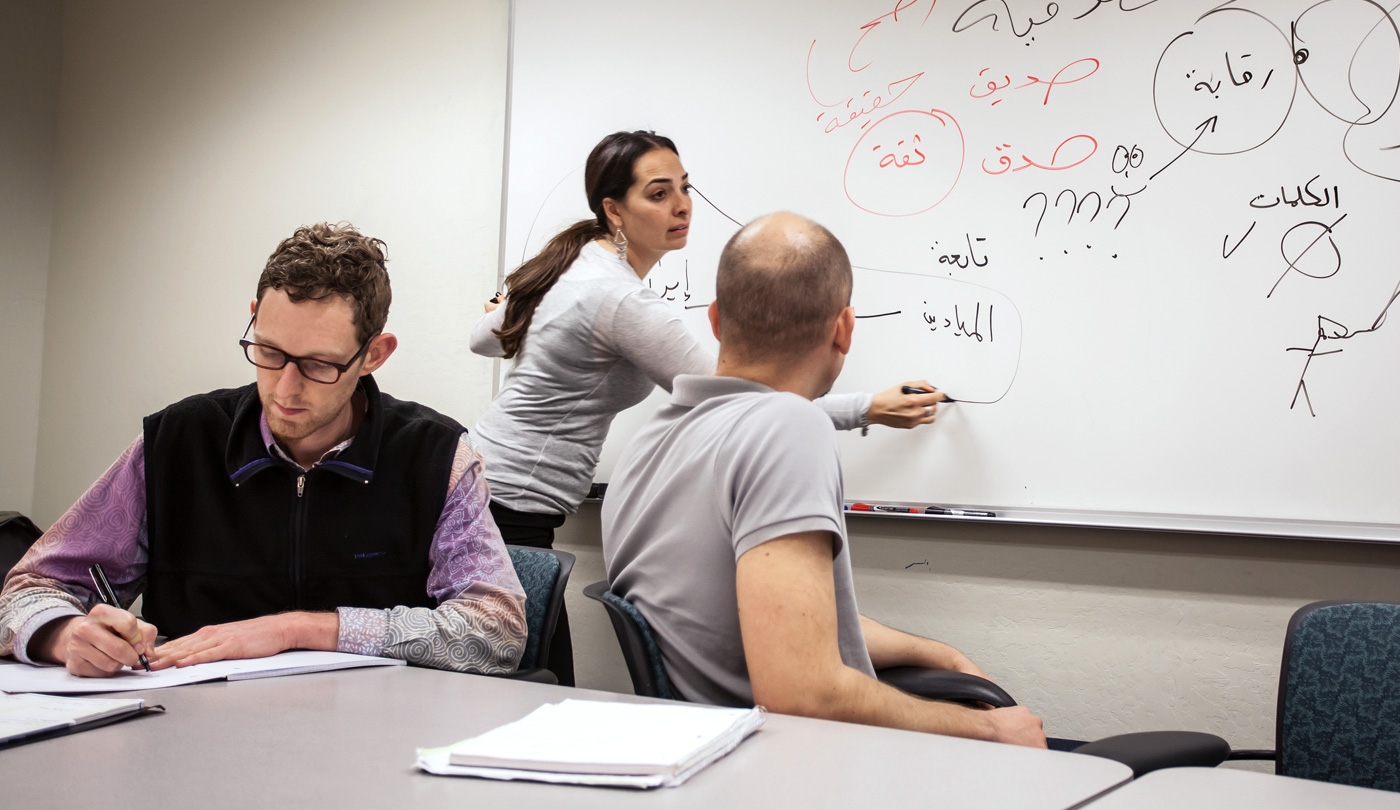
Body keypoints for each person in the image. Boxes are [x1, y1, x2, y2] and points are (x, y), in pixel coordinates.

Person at [470, 130, 947, 685]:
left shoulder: (574, 263)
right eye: (657, 194)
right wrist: (867, 408)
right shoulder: (618, 298)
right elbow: (740, 396)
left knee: (536, 688)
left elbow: (483, 337)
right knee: (533, 694)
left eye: (685, 187)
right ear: (612, 209)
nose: (681, 206)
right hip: (510, 508)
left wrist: (506, 306)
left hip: (489, 486)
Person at [0, 223, 527, 678]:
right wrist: (63, 634)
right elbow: (27, 590)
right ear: (255, 319)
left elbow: (497, 632)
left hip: (370, 746)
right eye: (269, 352)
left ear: (374, 355)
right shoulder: (177, 443)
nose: (285, 389)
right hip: (189, 741)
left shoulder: (435, 457)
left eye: (320, 364)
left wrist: (299, 630)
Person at [601, 212, 1046, 748]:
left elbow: (769, 616)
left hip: (706, 758)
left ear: (716, 320)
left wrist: (935, 653)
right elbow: (801, 695)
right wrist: (990, 729)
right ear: (844, 329)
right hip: (795, 769)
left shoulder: (653, 440)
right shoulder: (788, 426)